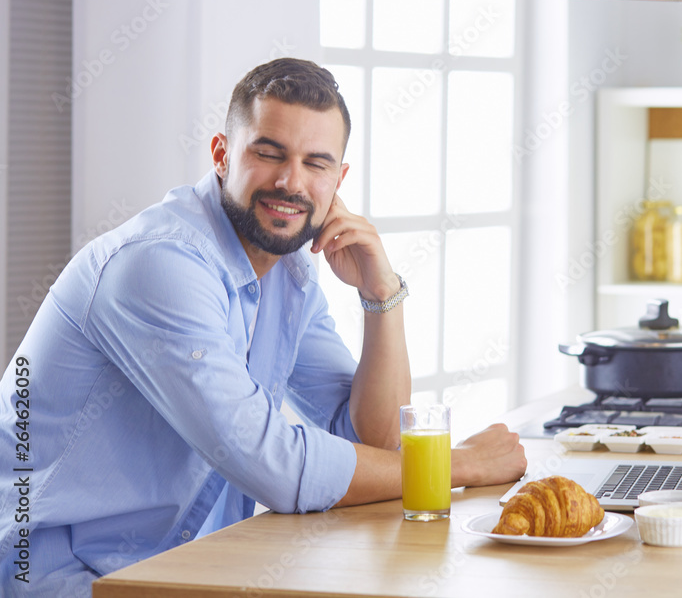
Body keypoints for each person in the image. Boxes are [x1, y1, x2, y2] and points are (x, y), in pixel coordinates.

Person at [0, 58, 526, 596]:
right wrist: (457, 465)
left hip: (181, 570)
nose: (289, 181)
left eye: (315, 164)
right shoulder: (161, 265)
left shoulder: (288, 271)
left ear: (339, 181)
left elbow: (374, 437)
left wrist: (381, 294)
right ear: (223, 155)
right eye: (269, 152)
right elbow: (275, 466)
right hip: (51, 577)